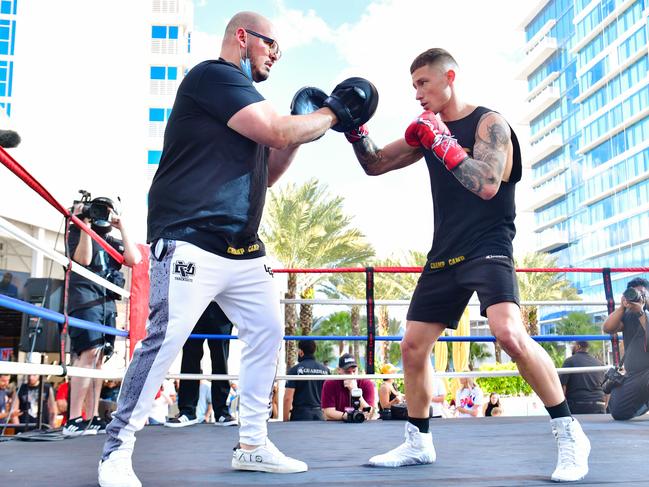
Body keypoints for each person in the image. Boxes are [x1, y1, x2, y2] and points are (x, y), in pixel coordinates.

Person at [98, 10, 371, 484]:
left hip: (242, 247)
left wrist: (306, 129)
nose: (276, 57)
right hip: (189, 237)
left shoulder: (249, 109)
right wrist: (329, 115)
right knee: (164, 341)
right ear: (242, 37)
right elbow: (279, 129)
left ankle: (252, 443)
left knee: (267, 334)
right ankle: (117, 451)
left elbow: (270, 168)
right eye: (271, 47)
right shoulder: (214, 77)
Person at [347, 48, 590, 481]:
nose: (417, 93)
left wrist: (442, 140)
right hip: (445, 251)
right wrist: (352, 127)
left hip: (488, 244)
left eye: (423, 83)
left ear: (449, 77)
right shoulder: (427, 130)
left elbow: (488, 185)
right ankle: (418, 442)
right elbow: (376, 164)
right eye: (414, 86)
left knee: (509, 333)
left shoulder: (488, 123)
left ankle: (570, 433)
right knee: (412, 347)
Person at [63, 199, 141, 437]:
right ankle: (74, 418)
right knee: (87, 352)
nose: (101, 215)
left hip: (106, 303)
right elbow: (83, 260)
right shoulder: (77, 231)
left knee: (99, 357)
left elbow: (134, 259)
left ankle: (92, 415)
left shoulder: (112, 240)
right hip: (85, 299)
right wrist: (84, 221)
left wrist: (121, 225)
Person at [165, 302, 236, 428]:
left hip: (220, 303)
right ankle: (187, 412)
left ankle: (221, 412)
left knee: (221, 358)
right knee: (190, 356)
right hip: (194, 303)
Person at [602, 278, 649, 420]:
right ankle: (645, 403)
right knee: (618, 412)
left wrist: (641, 312)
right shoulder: (628, 315)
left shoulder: (643, 313)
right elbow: (608, 328)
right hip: (634, 374)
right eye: (634, 293)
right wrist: (623, 306)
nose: (638, 296)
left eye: (642, 293)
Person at [283, 340, 330, 421]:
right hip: (320, 415)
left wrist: (285, 419)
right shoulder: (325, 370)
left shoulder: (295, 370)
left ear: (301, 352)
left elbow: (288, 398)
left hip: (300, 415)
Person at [321, 353, 376, 421]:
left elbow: (369, 412)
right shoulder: (330, 383)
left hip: (361, 426)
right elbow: (328, 412)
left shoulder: (366, 383)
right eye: (347, 372)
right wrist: (348, 416)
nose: (351, 375)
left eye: (354, 371)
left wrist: (355, 391)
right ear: (339, 370)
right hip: (336, 425)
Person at [560, 341, 606, 414]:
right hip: (599, 405)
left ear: (578, 346)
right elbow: (607, 388)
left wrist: (562, 409)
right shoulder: (599, 363)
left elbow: (562, 387)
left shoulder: (569, 361)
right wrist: (604, 405)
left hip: (577, 405)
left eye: (573, 345)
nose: (572, 347)